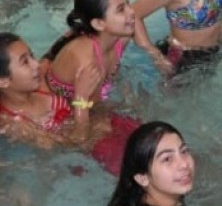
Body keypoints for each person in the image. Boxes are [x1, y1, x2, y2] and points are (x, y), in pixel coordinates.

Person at [0, 32, 137, 175]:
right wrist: (81, 98)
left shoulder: (39, 79)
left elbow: (52, 53)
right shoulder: (14, 124)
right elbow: (73, 147)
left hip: (103, 123)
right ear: (3, 81)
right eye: (25, 62)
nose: (36, 65)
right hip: (89, 158)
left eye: (31, 55)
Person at [45, 0, 152, 103]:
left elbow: (136, 17)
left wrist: (151, 51)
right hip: (67, 104)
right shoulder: (87, 62)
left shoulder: (120, 37)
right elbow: (91, 113)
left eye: (127, 3)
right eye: (121, 9)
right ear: (99, 24)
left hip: (95, 92)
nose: (131, 11)